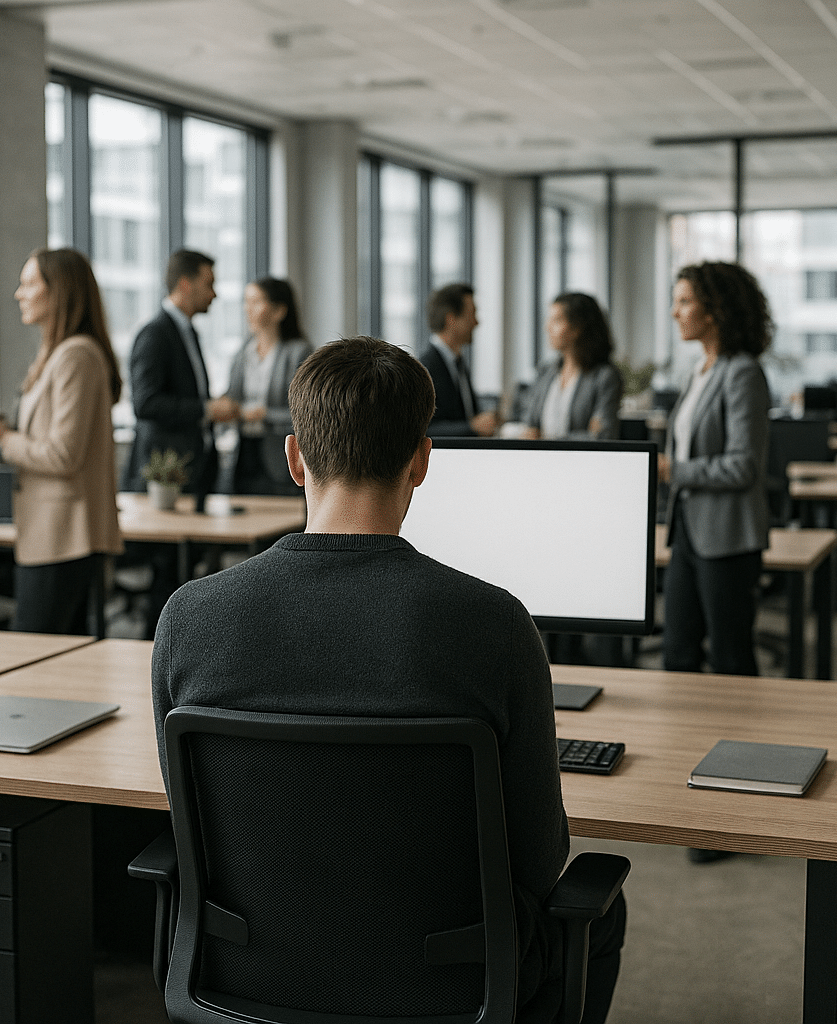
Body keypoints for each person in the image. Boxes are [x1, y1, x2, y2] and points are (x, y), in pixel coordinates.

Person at [151, 335, 625, 1024]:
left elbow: (192, 816)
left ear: (293, 459)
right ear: (423, 461)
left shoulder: (189, 618)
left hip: (247, 968)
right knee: (598, 911)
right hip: (452, 980)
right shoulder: (494, 624)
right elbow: (540, 860)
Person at [0, 248, 124, 634]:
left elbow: (63, 454)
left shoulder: (75, 356)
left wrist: (4, 438)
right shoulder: (55, 354)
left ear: (59, 292)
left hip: (65, 534)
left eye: (30, 284)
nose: (19, 293)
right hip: (53, 533)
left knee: (34, 656)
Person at [660, 261, 772, 679]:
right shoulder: (701, 371)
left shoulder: (742, 372)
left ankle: (741, 742)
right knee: (677, 652)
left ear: (715, 309)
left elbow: (744, 466)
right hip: (687, 530)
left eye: (685, 302)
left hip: (727, 536)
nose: (676, 312)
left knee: (730, 658)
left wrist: (676, 471)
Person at [124, 249, 233, 501]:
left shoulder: (188, 333)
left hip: (194, 471)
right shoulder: (154, 334)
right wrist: (207, 409)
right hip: (164, 477)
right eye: (208, 284)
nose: (214, 294)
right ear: (185, 284)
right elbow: (145, 403)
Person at [218, 277, 311, 495]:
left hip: (280, 456)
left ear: (279, 310)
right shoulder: (243, 353)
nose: (247, 309)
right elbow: (233, 396)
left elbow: (307, 413)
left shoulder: (298, 353)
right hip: (244, 451)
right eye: (246, 302)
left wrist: (264, 414)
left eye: (256, 302)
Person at [523, 293, 622, 440]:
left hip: (583, 462)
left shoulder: (604, 377)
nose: (547, 327)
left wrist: (545, 440)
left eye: (556, 320)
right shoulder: (545, 372)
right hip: (540, 462)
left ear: (577, 327)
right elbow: (529, 427)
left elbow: (602, 436)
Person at [420, 283, 500, 437]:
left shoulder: (458, 363)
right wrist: (472, 427)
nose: (476, 322)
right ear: (451, 319)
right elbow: (423, 429)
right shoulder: (426, 368)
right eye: (472, 314)